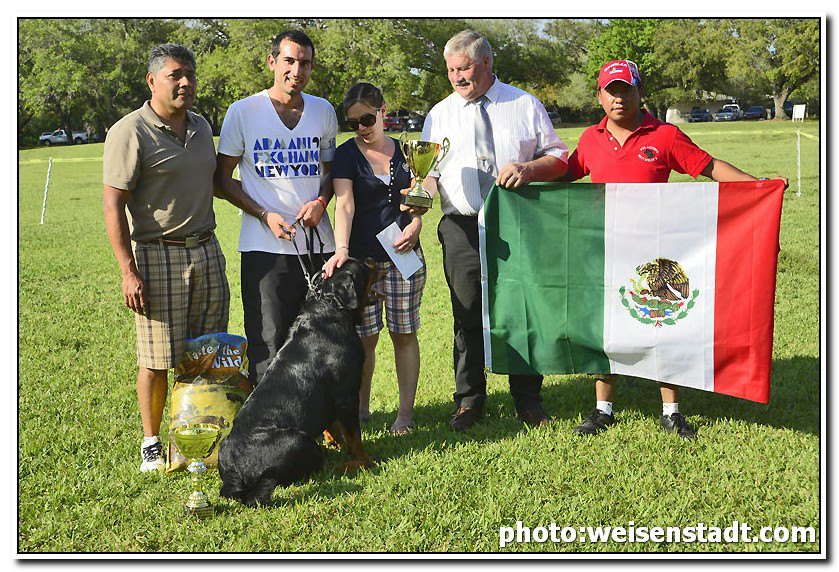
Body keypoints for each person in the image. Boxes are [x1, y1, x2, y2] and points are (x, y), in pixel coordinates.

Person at [564, 59, 786, 439]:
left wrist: (759, 188)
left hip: (657, 252)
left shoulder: (664, 135)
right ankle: (603, 409)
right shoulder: (589, 139)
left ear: (639, 91)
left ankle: (671, 411)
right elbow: (566, 174)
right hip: (609, 251)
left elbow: (708, 166)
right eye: (611, 91)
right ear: (599, 96)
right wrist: (527, 174)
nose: (618, 98)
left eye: (626, 90)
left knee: (664, 327)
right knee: (609, 330)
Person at [407, 30, 569, 431]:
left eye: (464, 69)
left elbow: (559, 158)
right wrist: (420, 197)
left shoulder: (524, 104)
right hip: (460, 226)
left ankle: (528, 401)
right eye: (450, 71)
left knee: (521, 309)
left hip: (517, 222)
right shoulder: (439, 114)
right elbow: (429, 173)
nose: (457, 78)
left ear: (486, 63)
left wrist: (529, 168)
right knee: (465, 313)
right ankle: (469, 401)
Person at [103, 44, 230, 472]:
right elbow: (113, 205)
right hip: (159, 254)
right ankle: (152, 443)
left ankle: (197, 435)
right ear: (152, 80)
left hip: (207, 249)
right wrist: (128, 271)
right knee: (156, 357)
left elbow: (218, 183)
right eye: (175, 75)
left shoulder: (201, 126)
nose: (185, 82)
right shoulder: (130, 131)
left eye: (190, 74)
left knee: (206, 351)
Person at [214, 29, 338, 386]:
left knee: (322, 341)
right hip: (265, 249)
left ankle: (319, 415)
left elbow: (331, 173)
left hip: (319, 247)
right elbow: (221, 180)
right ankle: (268, 418)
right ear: (272, 62)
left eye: (305, 63)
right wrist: (263, 215)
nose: (296, 71)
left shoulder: (323, 110)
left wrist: (321, 201)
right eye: (289, 61)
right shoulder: (243, 112)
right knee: (269, 344)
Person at [322, 83, 426, 436]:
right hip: (361, 264)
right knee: (364, 339)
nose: (362, 129)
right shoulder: (346, 155)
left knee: (403, 334)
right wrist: (341, 249)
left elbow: (419, 199)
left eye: (367, 119)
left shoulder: (408, 152)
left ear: (383, 111)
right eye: (354, 124)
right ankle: (360, 410)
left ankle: (405, 414)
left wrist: (417, 223)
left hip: (403, 257)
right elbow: (344, 204)